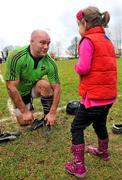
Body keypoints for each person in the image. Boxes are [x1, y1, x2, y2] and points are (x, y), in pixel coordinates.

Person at [65, 6, 117, 178]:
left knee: (76, 127)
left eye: (78, 25)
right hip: (108, 97)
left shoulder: (88, 41)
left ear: (85, 23)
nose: (78, 29)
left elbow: (84, 67)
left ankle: (78, 166)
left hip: (94, 98)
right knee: (99, 124)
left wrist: (76, 66)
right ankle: (104, 152)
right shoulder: (107, 40)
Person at [4, 30, 60, 130]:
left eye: (48, 43)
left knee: (46, 85)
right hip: (19, 92)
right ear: (31, 42)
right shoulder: (16, 56)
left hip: (34, 88)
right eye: (42, 42)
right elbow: (11, 86)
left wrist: (52, 113)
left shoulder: (50, 62)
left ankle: (47, 119)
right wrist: (24, 111)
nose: (46, 47)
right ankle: (27, 106)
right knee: (24, 122)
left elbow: (57, 88)